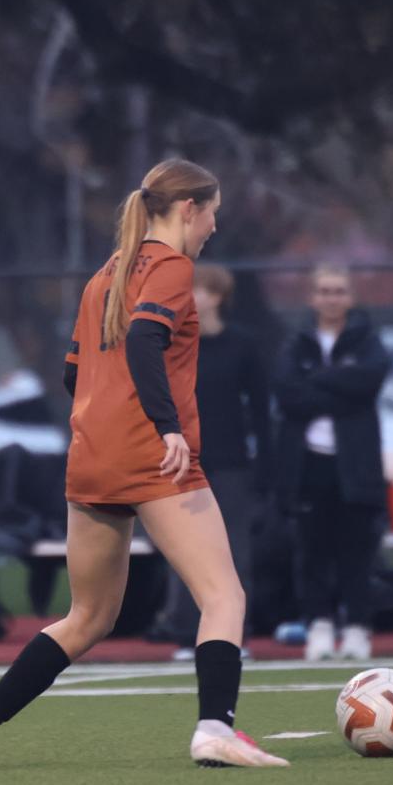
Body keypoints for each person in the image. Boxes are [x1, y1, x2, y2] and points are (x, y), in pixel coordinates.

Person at [0, 160, 286, 769]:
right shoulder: (174, 268)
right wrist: (168, 427)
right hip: (151, 457)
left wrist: (110, 418)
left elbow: (74, 374)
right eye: (213, 212)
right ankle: (214, 729)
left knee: (89, 616)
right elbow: (145, 340)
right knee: (224, 596)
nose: (213, 226)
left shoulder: (106, 273)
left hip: (91, 458)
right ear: (188, 210)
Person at [148, 263, 272, 657]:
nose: (191, 298)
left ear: (217, 296)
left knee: (234, 550)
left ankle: (235, 634)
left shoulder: (243, 345)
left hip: (231, 462)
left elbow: (259, 408)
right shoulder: (173, 346)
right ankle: (187, 634)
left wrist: (264, 461)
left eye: (199, 291)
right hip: (183, 462)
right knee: (184, 550)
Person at [273, 264, 391, 663]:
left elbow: (370, 381)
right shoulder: (297, 343)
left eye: (339, 291)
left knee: (356, 550)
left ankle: (357, 628)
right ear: (313, 297)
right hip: (309, 464)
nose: (331, 298)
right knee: (312, 549)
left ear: (350, 297)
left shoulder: (367, 341)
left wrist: (318, 381)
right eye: (324, 291)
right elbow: (289, 395)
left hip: (354, 465)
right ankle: (319, 626)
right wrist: (340, 383)